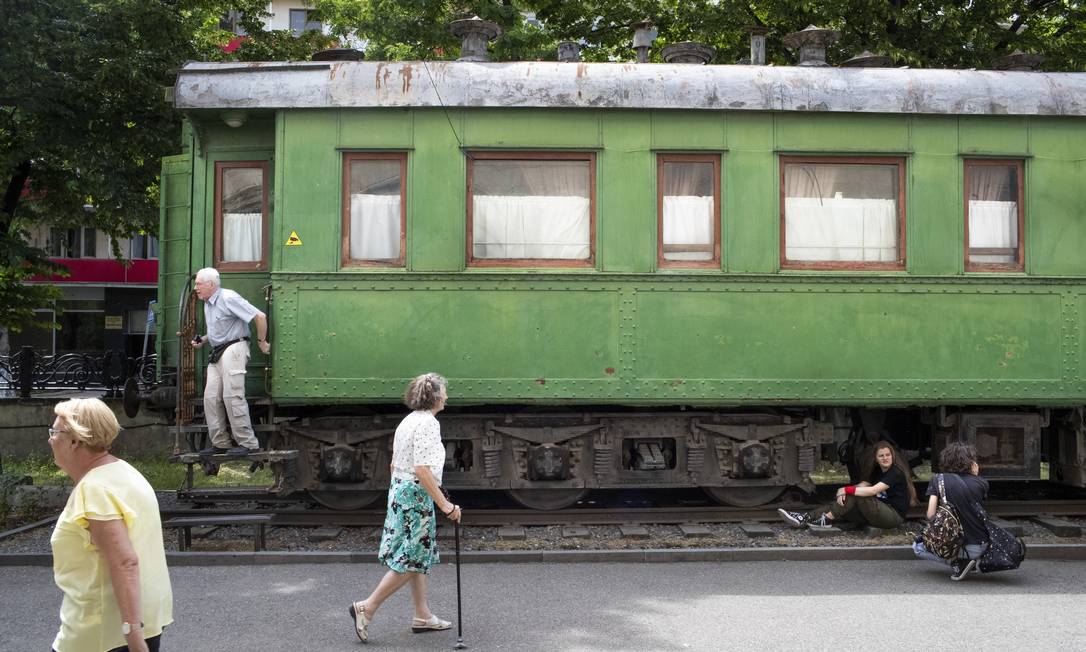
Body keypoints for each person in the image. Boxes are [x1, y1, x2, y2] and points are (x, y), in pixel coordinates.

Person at [48, 398, 173, 652]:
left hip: (102, 632)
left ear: (75, 441)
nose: (50, 439)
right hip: (142, 620)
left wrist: (133, 637)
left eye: (55, 432)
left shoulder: (94, 489)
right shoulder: (124, 472)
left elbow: (125, 561)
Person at [349, 373, 462, 643]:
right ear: (435, 397)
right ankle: (367, 607)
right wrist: (445, 505)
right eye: (444, 391)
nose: (447, 396)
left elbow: (394, 464)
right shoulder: (428, 424)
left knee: (415, 556)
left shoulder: (408, 421)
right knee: (412, 559)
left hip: (400, 492)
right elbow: (422, 469)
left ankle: (422, 615)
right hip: (414, 495)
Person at [190, 267, 270, 455]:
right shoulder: (208, 303)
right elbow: (219, 329)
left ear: (211, 284)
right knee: (210, 398)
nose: (196, 288)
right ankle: (221, 444)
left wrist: (262, 342)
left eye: (199, 284)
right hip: (218, 351)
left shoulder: (228, 297)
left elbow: (259, 316)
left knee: (232, 396)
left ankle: (248, 444)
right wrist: (202, 340)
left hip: (234, 348)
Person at [778, 439, 917, 531]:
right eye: (881, 456)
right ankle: (804, 518)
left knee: (857, 495)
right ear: (876, 458)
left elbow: (873, 490)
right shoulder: (878, 470)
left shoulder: (895, 472)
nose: (885, 458)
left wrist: (847, 489)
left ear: (892, 456)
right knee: (843, 503)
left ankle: (827, 519)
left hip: (892, 516)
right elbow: (864, 484)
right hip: (878, 512)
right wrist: (843, 491)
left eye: (888, 455)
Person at [913, 442, 990, 580]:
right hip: (980, 546)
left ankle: (956, 562)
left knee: (917, 546)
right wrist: (976, 475)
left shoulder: (938, 480)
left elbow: (930, 514)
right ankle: (970, 562)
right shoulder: (982, 483)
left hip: (957, 548)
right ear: (971, 461)